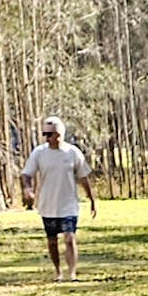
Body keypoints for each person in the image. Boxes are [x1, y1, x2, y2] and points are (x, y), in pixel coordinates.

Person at [22, 117, 93, 281]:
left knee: (69, 237)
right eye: (44, 134)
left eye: (50, 134)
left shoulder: (72, 152)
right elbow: (26, 173)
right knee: (52, 241)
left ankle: (72, 273)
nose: (47, 138)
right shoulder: (39, 153)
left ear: (60, 134)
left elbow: (83, 177)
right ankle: (58, 272)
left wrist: (92, 199)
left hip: (68, 204)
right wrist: (27, 188)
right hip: (48, 204)